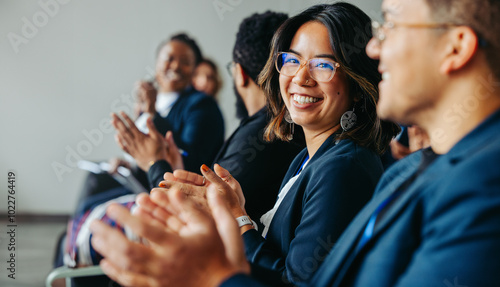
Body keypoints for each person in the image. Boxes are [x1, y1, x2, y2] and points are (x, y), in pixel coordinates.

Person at [90, 0, 500, 286]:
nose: (376, 48)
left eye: (391, 24)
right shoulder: (393, 165)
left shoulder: (478, 185)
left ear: (456, 47)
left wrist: (215, 272)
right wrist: (234, 212)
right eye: (291, 60)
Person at [110, 11, 304, 230]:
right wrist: (173, 168)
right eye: (169, 58)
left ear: (238, 73)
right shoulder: (281, 127)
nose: (174, 67)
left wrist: (155, 163)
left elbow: (194, 219)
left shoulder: (259, 132)